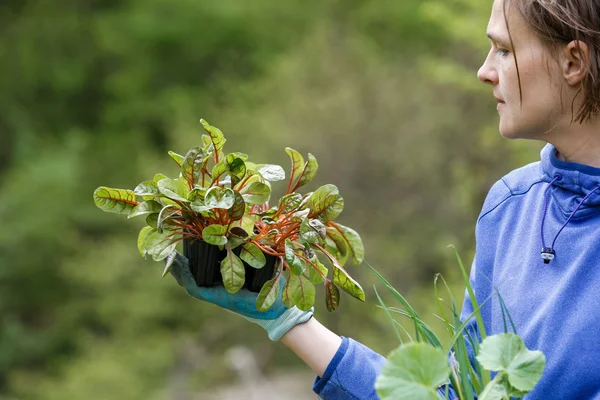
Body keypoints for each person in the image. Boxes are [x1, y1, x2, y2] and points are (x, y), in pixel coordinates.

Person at [168, 0, 600, 398]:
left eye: (504, 51)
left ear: (573, 61)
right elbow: (455, 395)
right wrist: (288, 321)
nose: (485, 71)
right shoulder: (511, 207)